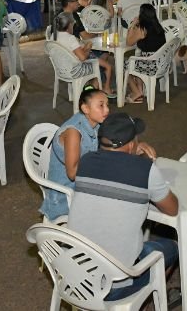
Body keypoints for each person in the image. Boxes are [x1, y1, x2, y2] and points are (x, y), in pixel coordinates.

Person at [67, 112, 179, 302]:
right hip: (112, 287)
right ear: (131, 145)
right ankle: (145, 299)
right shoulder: (146, 171)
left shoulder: (85, 162)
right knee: (171, 248)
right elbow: (172, 209)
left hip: (75, 276)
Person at [39, 87, 109, 221]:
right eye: (101, 105)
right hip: (65, 194)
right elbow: (72, 173)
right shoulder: (74, 132)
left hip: (82, 183)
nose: (106, 110)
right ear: (85, 109)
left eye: (107, 105)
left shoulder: (94, 123)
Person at [54, 12, 115, 97]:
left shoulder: (54, 36)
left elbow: (71, 52)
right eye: (73, 24)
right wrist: (88, 48)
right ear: (69, 25)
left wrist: (85, 48)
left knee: (100, 61)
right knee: (107, 66)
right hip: (75, 70)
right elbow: (83, 58)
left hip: (61, 68)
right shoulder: (70, 38)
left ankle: (93, 87)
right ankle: (105, 89)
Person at [124, 4, 167, 104]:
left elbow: (128, 42)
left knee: (124, 65)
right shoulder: (158, 27)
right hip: (162, 62)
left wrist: (133, 24)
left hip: (151, 65)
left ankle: (136, 92)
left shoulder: (143, 29)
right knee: (137, 59)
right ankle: (140, 90)